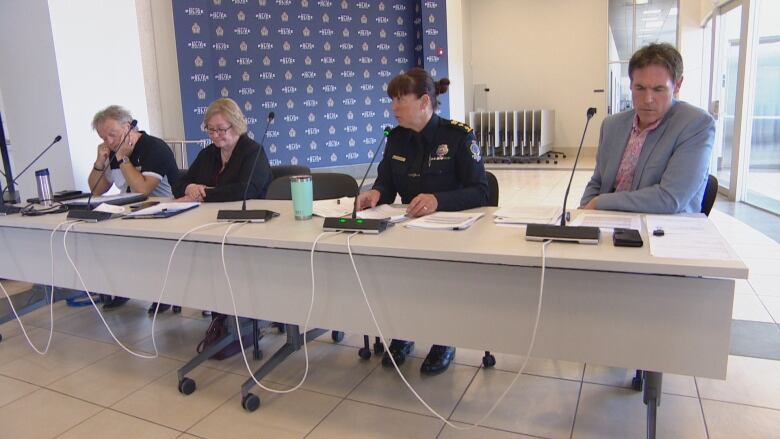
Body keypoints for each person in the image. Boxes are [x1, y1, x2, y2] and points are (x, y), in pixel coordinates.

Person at [356, 68, 489, 375]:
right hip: (408, 228)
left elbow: (480, 191)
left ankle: (444, 340)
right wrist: (375, 193)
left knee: (437, 280)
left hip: (450, 233)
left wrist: (438, 200)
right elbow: (387, 183)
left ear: (424, 101)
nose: (393, 107)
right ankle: (402, 333)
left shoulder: (458, 136)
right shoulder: (396, 138)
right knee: (398, 275)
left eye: (400, 100)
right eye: (392, 100)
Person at [580, 43, 715, 214]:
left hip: (664, 229)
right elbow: (597, 182)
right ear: (631, 84)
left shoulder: (696, 124)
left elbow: (670, 198)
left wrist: (600, 202)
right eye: (640, 88)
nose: (648, 99)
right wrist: (583, 212)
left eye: (658, 89)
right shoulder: (612, 125)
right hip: (609, 224)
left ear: (678, 85)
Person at [89, 105, 180, 312]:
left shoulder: (154, 147)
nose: (109, 142)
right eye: (104, 137)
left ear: (128, 126)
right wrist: (99, 162)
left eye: (112, 135)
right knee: (104, 236)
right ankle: (122, 288)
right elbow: (96, 190)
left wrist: (123, 158)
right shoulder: (111, 151)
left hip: (163, 211)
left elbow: (143, 189)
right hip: (129, 212)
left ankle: (164, 292)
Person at [173, 97, 273, 202]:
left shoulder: (253, 152)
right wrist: (190, 188)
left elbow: (246, 190)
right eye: (211, 129)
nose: (215, 135)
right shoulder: (207, 153)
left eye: (221, 129)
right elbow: (177, 185)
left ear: (236, 126)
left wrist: (204, 194)